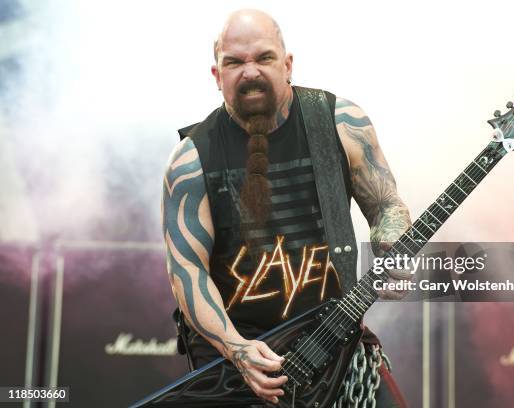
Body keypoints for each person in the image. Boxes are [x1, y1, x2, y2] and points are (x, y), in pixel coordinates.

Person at [162, 9, 411, 407]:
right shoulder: (191, 160)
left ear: (287, 64)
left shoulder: (340, 123)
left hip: (336, 345)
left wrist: (391, 240)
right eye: (234, 62)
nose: (250, 72)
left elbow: (386, 205)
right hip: (240, 366)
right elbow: (186, 273)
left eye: (263, 58)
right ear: (216, 76)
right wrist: (238, 349)